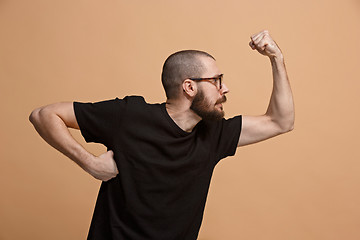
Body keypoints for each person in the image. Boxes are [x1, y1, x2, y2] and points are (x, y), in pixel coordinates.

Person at [29, 30, 294, 240]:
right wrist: (90, 164)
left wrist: (277, 58)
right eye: (216, 81)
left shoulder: (213, 133)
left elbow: (280, 121)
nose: (225, 89)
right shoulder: (128, 116)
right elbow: (44, 115)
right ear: (189, 87)